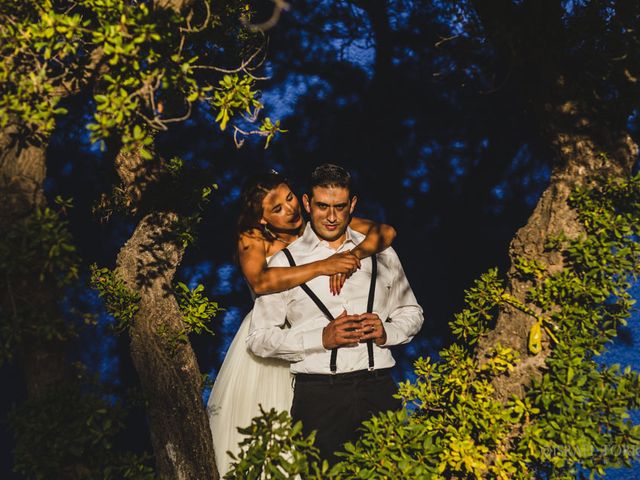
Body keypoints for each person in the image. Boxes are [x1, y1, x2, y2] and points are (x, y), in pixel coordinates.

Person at [206, 171, 397, 476]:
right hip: (273, 336)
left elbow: (385, 232)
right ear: (263, 220)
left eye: (290, 198)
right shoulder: (252, 237)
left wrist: (352, 254)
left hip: (319, 342)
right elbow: (260, 281)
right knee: (271, 427)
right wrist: (323, 266)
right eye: (277, 208)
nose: (290, 209)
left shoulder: (320, 223)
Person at [247, 164, 424, 462]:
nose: (331, 216)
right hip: (318, 396)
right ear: (307, 203)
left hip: (378, 386)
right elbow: (259, 338)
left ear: (352, 205)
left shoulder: (382, 253)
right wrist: (320, 338)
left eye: (340, 207)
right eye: (322, 206)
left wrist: (387, 331)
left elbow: (412, 311)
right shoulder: (284, 262)